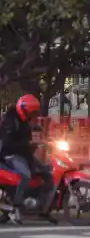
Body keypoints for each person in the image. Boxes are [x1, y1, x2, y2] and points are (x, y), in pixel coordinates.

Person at [0, 95, 53, 224]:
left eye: (34, 113)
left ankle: (40, 206)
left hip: (23, 153)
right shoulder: (10, 122)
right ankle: (17, 206)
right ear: (23, 109)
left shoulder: (25, 121)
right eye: (31, 112)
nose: (33, 115)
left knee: (45, 172)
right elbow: (8, 144)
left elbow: (27, 137)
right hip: (10, 155)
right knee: (25, 175)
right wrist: (28, 145)